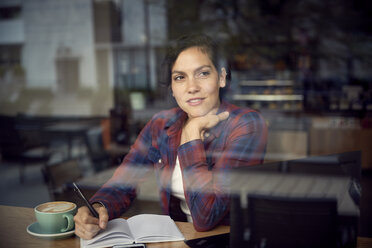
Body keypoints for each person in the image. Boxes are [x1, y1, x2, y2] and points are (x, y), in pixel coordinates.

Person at [74, 33, 267, 239]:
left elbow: (206, 217)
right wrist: (98, 208)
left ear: (220, 77)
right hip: (178, 239)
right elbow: (124, 181)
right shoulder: (161, 124)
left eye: (202, 73)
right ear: (173, 89)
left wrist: (192, 136)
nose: (192, 87)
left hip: (226, 242)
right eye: (180, 77)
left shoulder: (246, 124)